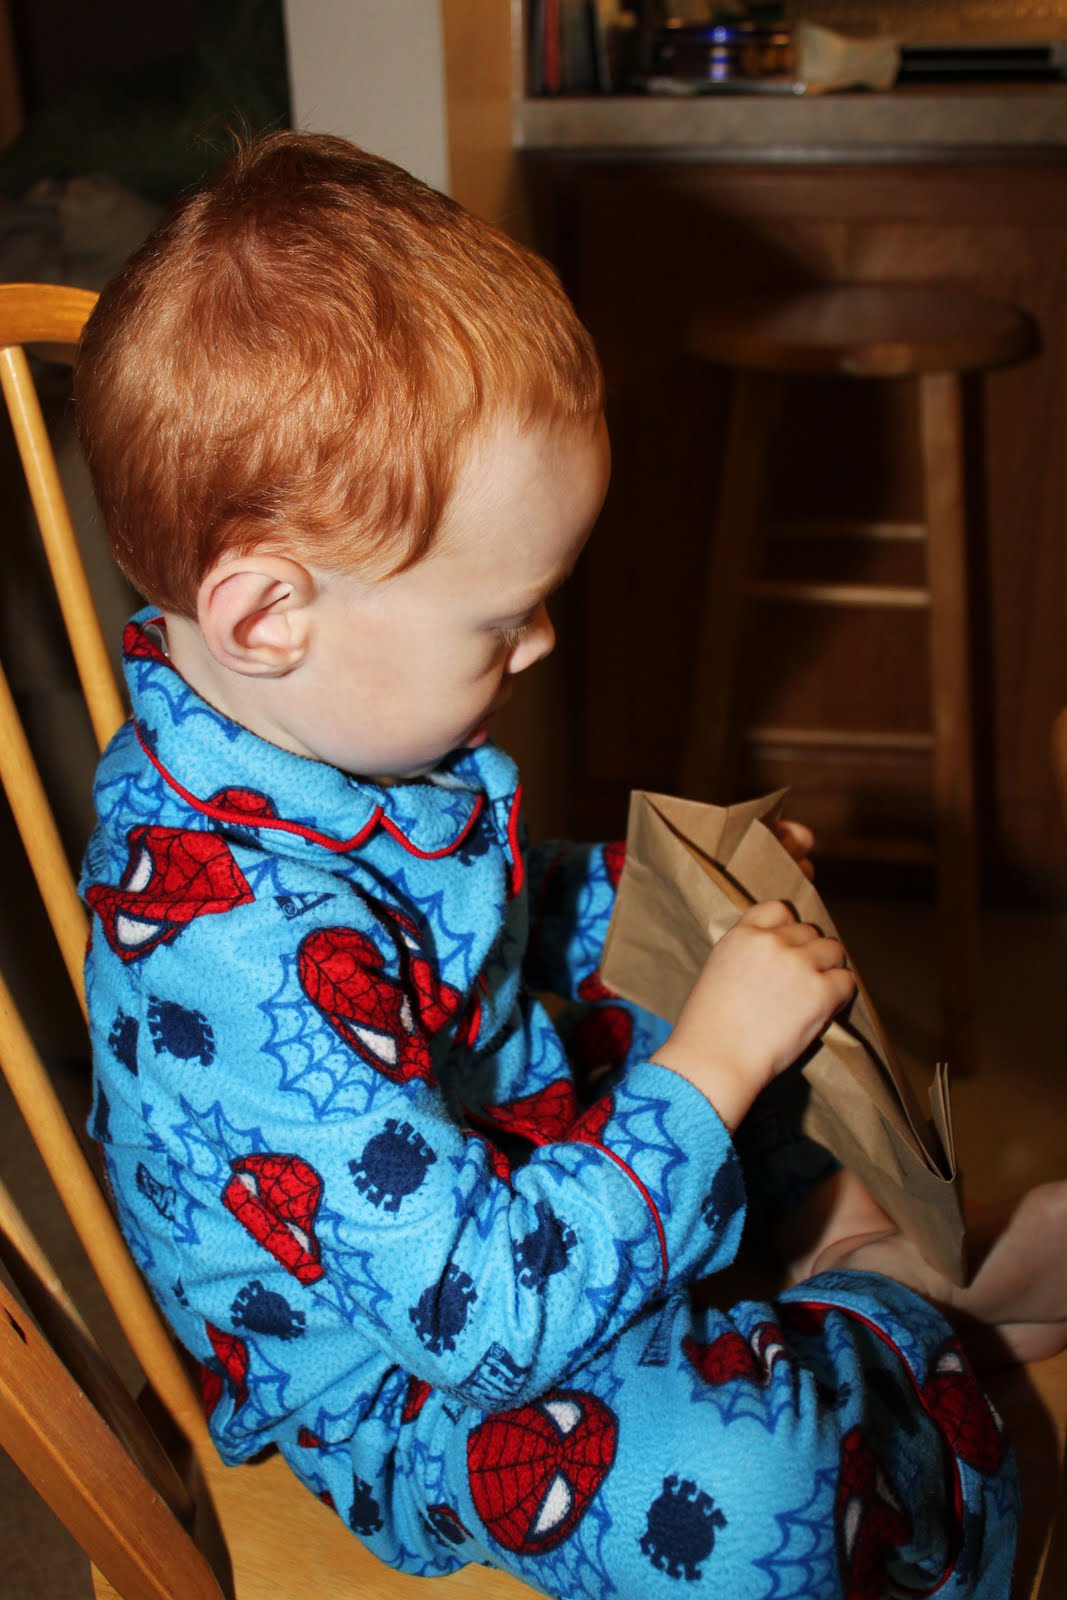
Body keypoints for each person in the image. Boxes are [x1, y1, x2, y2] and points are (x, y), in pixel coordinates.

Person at [74, 131, 1062, 1599]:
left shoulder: (307, 735)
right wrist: (711, 1068)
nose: (538, 646)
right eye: (501, 620)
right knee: (746, 1501)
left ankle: (832, 1250)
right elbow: (477, 1323)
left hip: (498, 1149)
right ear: (270, 616)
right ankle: (880, 1313)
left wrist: (664, 900)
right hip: (412, 1381)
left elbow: (479, 918)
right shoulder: (225, 952)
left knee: (722, 999)